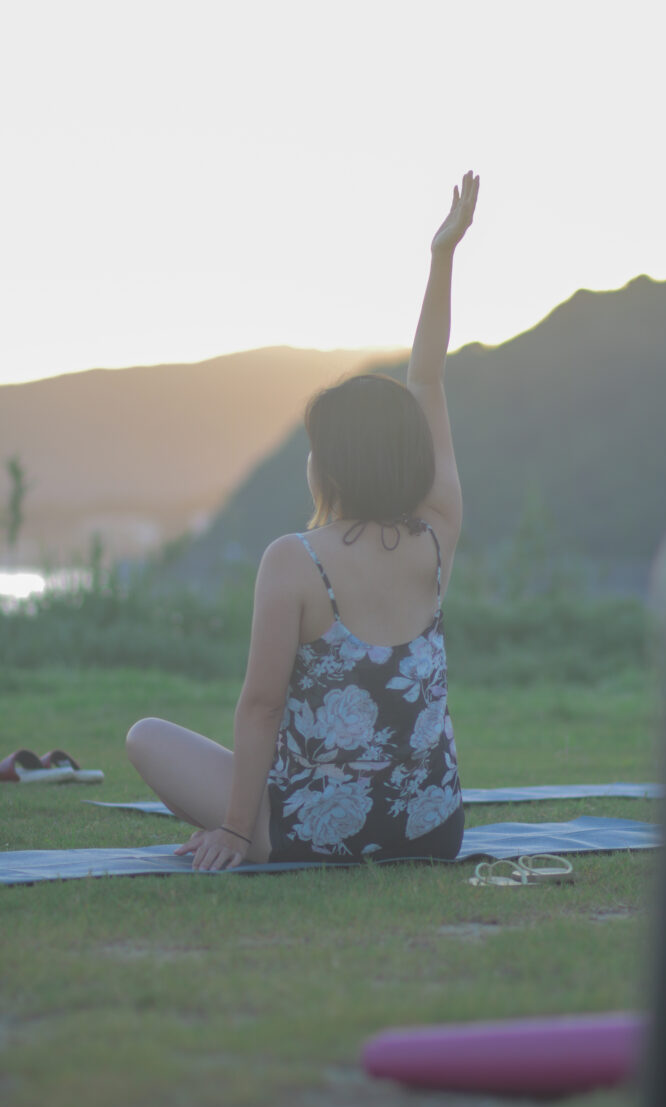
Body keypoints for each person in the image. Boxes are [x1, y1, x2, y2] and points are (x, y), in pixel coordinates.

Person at [126, 171, 480, 871]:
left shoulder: (294, 559)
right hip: (432, 828)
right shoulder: (437, 537)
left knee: (145, 737)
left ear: (332, 468)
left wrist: (232, 830)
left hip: (313, 832)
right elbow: (428, 380)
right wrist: (443, 259)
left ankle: (252, 826)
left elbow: (260, 707)